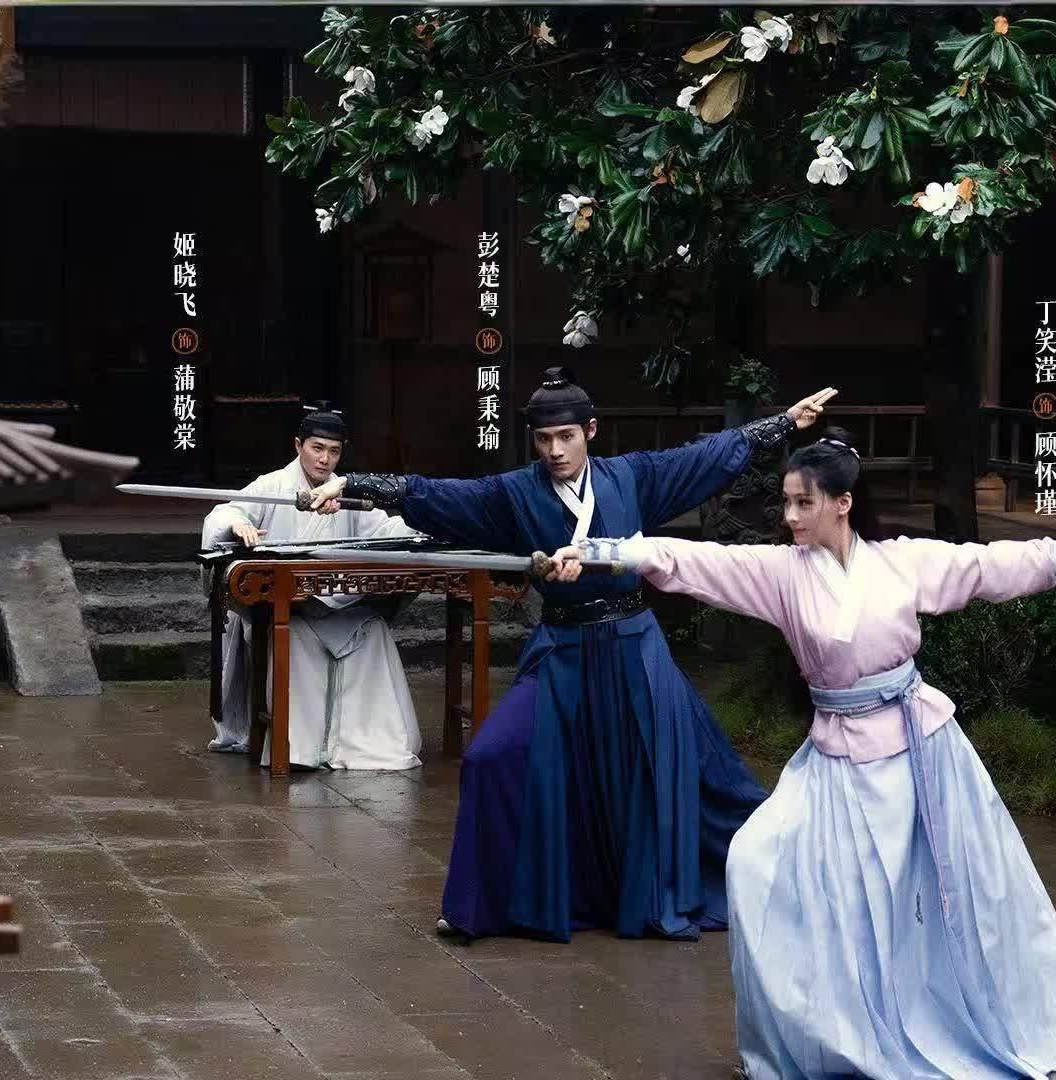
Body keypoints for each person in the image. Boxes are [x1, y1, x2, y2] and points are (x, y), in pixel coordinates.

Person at [551, 429, 1056, 1077]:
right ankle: (830, 1036)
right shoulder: (781, 573)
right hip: (837, 759)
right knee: (757, 863)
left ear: (841, 503)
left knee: (990, 894)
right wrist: (599, 552)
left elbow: (989, 566)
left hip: (922, 752)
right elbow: (691, 558)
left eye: (803, 503)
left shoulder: (901, 563)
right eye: (786, 502)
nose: (789, 516)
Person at [306, 368, 838, 943]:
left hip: (635, 650)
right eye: (543, 439)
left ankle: (785, 877)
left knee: (693, 778)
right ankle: (479, 906)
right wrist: (353, 484)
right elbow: (438, 495)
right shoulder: (514, 493)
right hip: (562, 649)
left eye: (566, 437)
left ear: (590, 431)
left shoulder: (632, 477)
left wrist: (784, 423)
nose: (555, 451)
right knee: (491, 756)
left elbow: (703, 458)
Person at [200, 402, 421, 771]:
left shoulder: (345, 493)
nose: (325, 459)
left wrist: (423, 519)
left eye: (334, 451)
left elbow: (384, 528)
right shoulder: (272, 485)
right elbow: (225, 512)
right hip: (282, 608)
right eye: (317, 448)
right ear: (298, 445)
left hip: (335, 605)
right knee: (295, 636)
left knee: (374, 631)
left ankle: (361, 743)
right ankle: (299, 749)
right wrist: (237, 525)